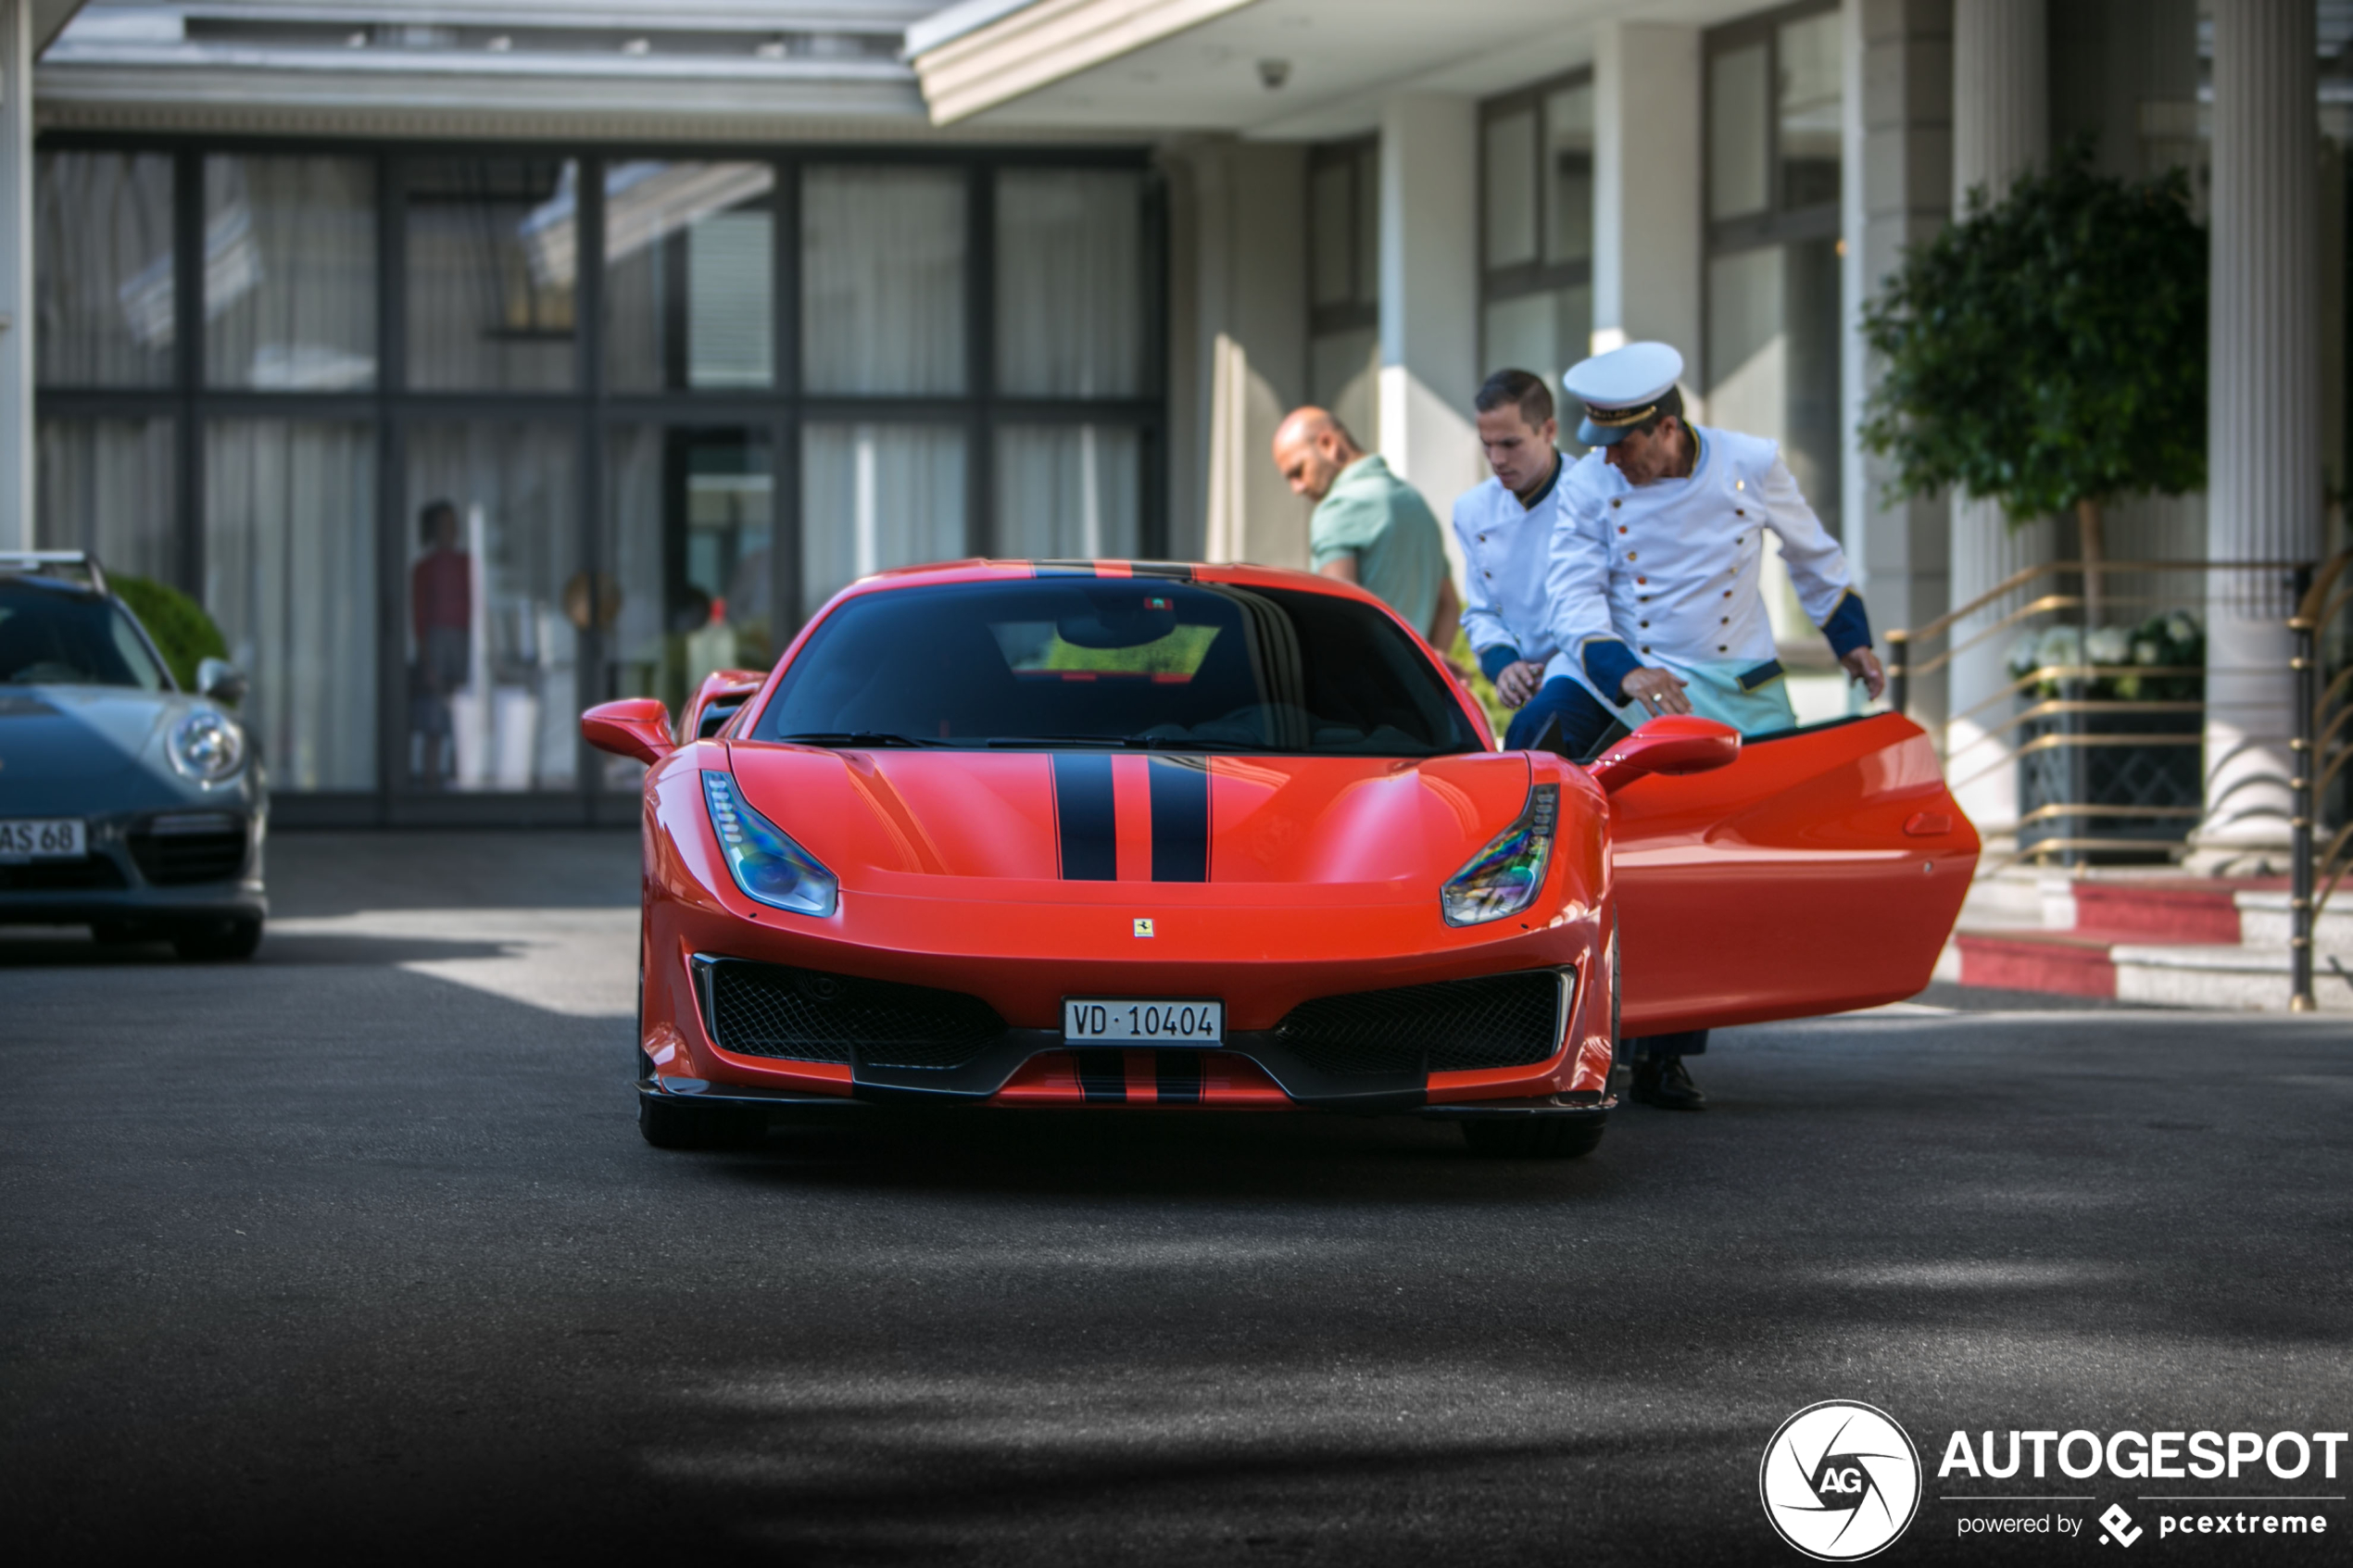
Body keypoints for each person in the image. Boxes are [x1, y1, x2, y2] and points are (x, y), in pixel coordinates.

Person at [1541, 340, 1885, 1112]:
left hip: (1731, 682)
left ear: (1666, 426)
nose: (1611, 459)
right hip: (1629, 675)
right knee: (1535, 744)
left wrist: (1852, 640)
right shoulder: (1593, 483)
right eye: (1599, 443)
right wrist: (1623, 668)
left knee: (1706, 854)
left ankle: (1666, 1053)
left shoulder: (1752, 463)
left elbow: (1815, 557)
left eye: (1624, 441)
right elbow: (1572, 593)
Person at [1453, 369, 1580, 750]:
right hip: (1528, 679)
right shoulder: (1472, 509)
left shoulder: (1589, 491)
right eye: (1486, 445)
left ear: (1549, 430)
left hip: (1586, 670)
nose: (1497, 459)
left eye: (1510, 443)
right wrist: (1504, 666)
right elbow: (1481, 612)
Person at [1270, 407, 1460, 653]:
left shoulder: (1339, 507)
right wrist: (1430, 667)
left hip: (1362, 684)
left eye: (1298, 471)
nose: (1298, 488)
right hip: (1412, 686)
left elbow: (1338, 618)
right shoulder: (1414, 502)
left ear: (1328, 444)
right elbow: (1449, 605)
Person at [409, 500, 471, 786]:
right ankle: (430, 783)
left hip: (465, 644)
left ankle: (461, 777)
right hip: (436, 646)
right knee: (433, 719)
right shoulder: (424, 569)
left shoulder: (468, 564)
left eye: (454, 523)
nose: (451, 530)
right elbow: (419, 616)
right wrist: (427, 659)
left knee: (464, 718)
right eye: (445, 524)